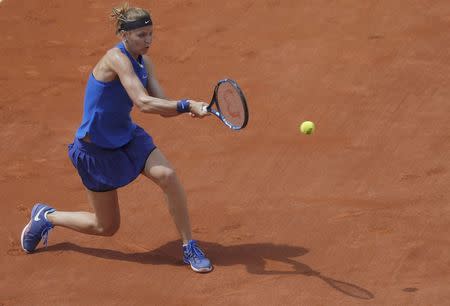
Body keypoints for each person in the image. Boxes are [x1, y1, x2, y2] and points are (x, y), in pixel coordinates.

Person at [20, 3, 213, 273]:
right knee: (106, 227)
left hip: (128, 137)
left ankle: (188, 246)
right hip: (95, 149)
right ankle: (47, 216)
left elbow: (162, 105)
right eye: (141, 35)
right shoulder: (115, 59)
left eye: (150, 34)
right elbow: (143, 102)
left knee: (167, 175)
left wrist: (192, 108)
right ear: (123, 35)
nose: (148, 41)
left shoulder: (145, 63)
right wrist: (185, 104)